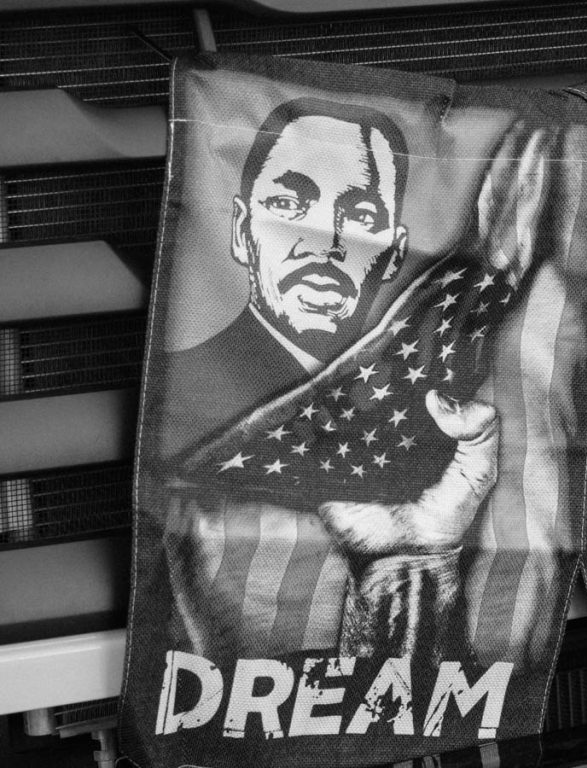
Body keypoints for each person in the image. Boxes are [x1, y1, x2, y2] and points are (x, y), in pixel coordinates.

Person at [158, 98, 503, 663]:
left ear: (394, 253)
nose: (326, 245)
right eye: (289, 206)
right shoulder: (181, 398)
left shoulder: (437, 403)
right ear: (241, 232)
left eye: (361, 219)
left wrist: (410, 565)